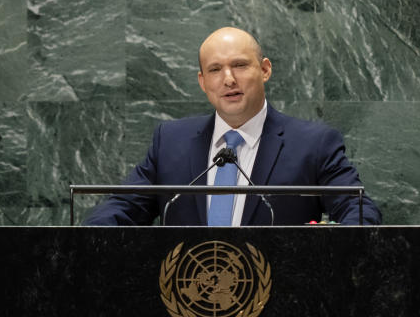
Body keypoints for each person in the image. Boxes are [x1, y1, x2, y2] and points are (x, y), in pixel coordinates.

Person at [84, 27, 381, 226]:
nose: (228, 79)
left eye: (239, 65)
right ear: (203, 82)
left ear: (264, 70)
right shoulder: (171, 141)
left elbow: (358, 210)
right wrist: (85, 237)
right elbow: (122, 207)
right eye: (215, 69)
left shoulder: (314, 144)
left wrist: (341, 244)